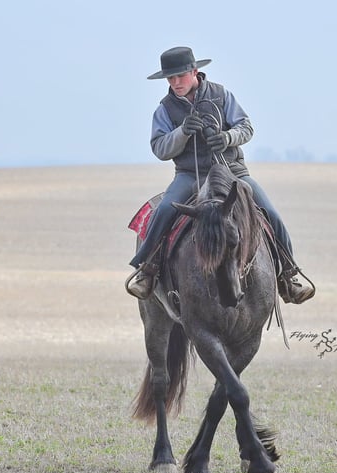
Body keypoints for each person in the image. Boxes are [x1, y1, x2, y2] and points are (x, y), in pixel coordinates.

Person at [127, 46, 314, 304]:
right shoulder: (164, 110)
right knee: (166, 209)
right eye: (170, 78)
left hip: (232, 172)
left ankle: (288, 275)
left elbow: (246, 127)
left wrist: (227, 137)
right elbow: (159, 148)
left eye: (180, 75)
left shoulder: (221, 95)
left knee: (269, 212)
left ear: (195, 71)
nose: (175, 82)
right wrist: (182, 132)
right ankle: (147, 271)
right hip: (190, 176)